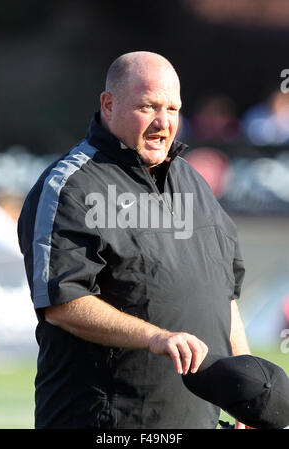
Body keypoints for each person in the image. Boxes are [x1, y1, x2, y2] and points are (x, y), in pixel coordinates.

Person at [17, 51, 250, 429]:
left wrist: (245, 394)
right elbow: (64, 302)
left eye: (173, 109)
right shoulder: (71, 187)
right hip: (104, 422)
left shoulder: (192, 183)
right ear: (109, 105)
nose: (164, 122)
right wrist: (154, 337)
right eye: (149, 106)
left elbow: (225, 294)